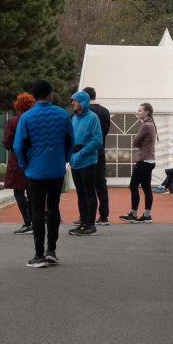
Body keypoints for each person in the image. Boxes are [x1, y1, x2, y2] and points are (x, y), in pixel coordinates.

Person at [14, 79, 73, 267]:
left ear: (34, 96)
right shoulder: (62, 114)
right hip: (56, 167)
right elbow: (70, 140)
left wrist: (24, 163)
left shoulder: (27, 117)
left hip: (35, 168)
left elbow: (18, 145)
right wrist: (65, 159)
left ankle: (39, 255)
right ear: (50, 94)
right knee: (54, 207)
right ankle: (51, 251)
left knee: (38, 210)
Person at [68, 90, 103, 236]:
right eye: (71, 100)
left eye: (74, 100)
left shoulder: (93, 117)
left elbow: (98, 140)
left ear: (82, 102)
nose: (72, 103)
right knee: (80, 194)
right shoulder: (74, 119)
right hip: (75, 162)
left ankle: (91, 225)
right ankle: (83, 224)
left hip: (88, 161)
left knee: (89, 193)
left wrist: (82, 153)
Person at [4, 92, 36, 234]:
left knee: (18, 191)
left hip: (17, 159)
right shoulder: (34, 119)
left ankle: (28, 222)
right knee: (32, 191)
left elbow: (7, 142)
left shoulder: (12, 121)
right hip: (34, 157)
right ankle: (35, 220)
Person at [120, 103, 157, 223]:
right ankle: (147, 215)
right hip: (150, 160)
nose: (138, 113)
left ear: (147, 112)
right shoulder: (151, 124)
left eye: (140, 110)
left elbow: (135, 141)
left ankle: (133, 214)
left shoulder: (146, 125)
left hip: (144, 160)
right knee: (146, 187)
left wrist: (139, 142)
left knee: (133, 186)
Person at [82, 87, 111, 224]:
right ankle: (104, 215)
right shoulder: (105, 111)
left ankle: (87, 216)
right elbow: (105, 131)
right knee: (101, 183)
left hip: (86, 150)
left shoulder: (84, 112)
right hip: (100, 149)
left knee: (86, 185)